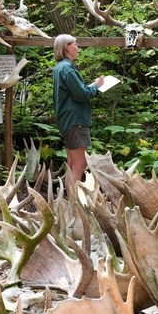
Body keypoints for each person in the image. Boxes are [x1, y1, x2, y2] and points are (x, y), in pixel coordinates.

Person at [53, 34, 104, 197]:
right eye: (75, 44)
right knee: (80, 164)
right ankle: (74, 203)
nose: (78, 47)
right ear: (66, 47)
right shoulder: (67, 68)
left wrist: (91, 87)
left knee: (72, 164)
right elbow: (81, 94)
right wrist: (96, 85)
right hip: (76, 122)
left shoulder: (60, 67)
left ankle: (68, 201)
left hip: (68, 121)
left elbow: (75, 92)